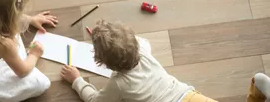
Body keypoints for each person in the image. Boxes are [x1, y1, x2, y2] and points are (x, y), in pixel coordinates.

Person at [60, 20, 217, 102]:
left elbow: (95, 100)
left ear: (101, 62)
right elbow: (138, 40)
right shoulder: (142, 47)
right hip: (189, 97)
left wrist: (77, 81)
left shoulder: (119, 83)